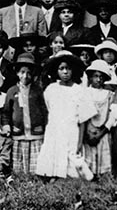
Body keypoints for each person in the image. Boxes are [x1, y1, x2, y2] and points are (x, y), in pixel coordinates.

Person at [35, 52, 97, 180]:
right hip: (54, 129)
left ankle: (79, 175)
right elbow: (48, 109)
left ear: (73, 70)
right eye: (61, 68)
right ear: (56, 71)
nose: (65, 72)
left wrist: (80, 141)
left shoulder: (79, 91)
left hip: (71, 130)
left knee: (72, 155)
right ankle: (51, 174)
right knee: (52, 150)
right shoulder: (51, 89)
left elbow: (83, 119)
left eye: (68, 68)